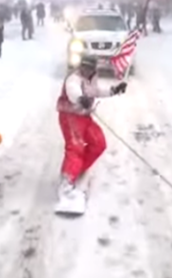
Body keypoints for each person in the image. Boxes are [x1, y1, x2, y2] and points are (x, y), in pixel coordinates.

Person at [55, 56, 128, 212]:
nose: (86, 70)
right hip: (70, 116)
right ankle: (66, 186)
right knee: (76, 147)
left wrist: (114, 90)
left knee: (98, 143)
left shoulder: (92, 78)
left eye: (89, 68)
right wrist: (81, 99)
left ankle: (77, 169)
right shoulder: (74, 78)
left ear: (94, 69)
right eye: (84, 67)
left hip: (84, 116)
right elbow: (72, 90)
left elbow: (96, 91)